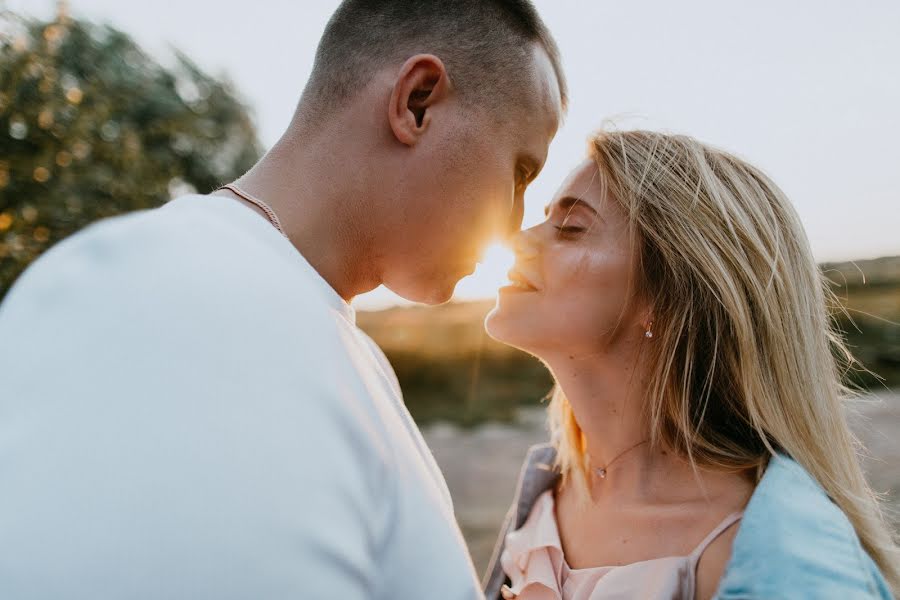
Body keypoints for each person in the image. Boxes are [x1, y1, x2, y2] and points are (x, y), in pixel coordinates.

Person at [0, 1, 565, 598]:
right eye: (521, 171)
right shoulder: (176, 299)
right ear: (416, 103)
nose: (514, 223)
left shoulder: (324, 338)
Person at [482, 130, 899, 599]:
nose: (517, 240)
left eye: (572, 227)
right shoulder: (546, 492)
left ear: (668, 294)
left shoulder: (773, 556)